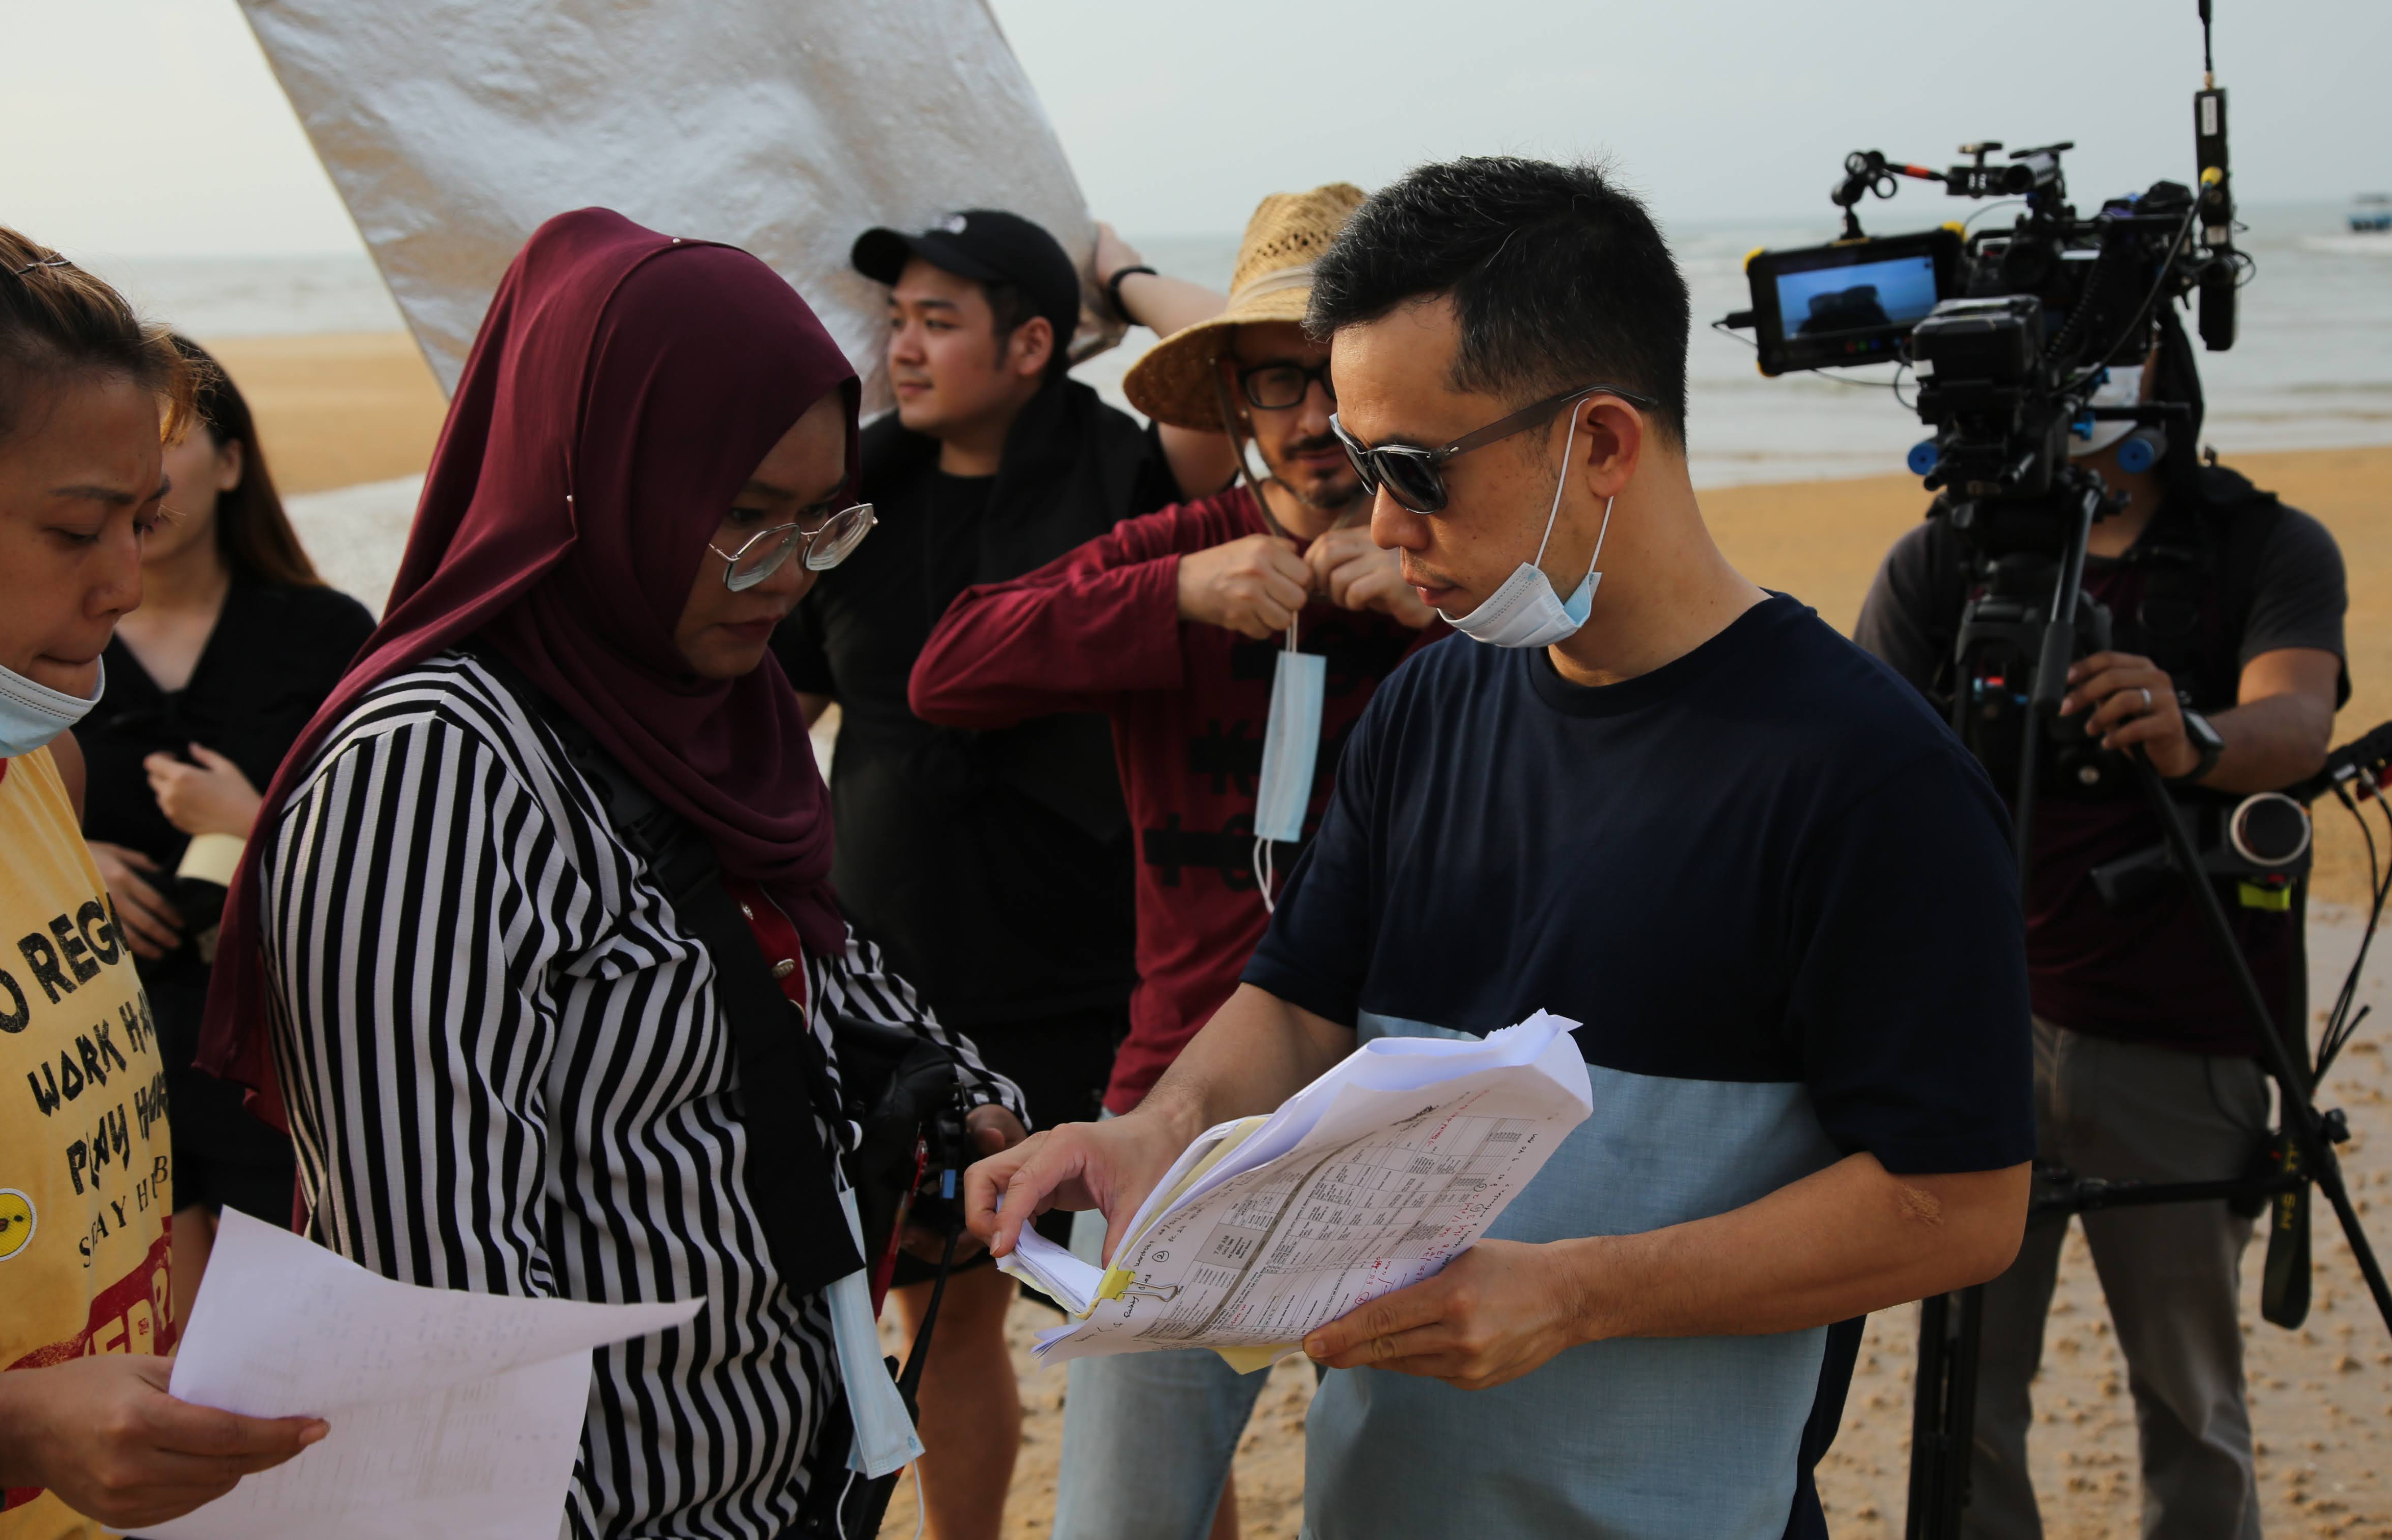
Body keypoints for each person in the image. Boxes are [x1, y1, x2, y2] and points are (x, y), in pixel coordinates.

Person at [969, 157, 2041, 1539]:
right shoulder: (1429, 706)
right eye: (1364, 467)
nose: (1383, 524)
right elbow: (1297, 1003)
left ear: (1602, 443)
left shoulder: (1867, 778)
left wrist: (1577, 1293)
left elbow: (1963, 1205)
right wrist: (1153, 1136)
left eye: (1418, 470)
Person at [196, 209, 1027, 1540]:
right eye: (741, 518)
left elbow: (815, 962)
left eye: (821, 520)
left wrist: (969, 1104)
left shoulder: (703, 706)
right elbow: (440, 1301)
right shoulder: (433, 776)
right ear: (588, 480)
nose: (787, 577)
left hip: (784, 1485)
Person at [910, 182, 1441, 1540]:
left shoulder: (1464, 573)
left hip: (1422, 1113)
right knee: (1125, 1511)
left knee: (1417, 1500)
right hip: (1181, 1106)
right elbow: (947, 667)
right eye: (1276, 384)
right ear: (1236, 405)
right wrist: (1170, 596)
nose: (1311, 419)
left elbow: (1619, 704)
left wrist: (1453, 614)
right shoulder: (1187, 549)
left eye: (1336, 379)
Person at [769, 208, 1232, 1540]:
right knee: (944, 1316)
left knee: (1151, 1327)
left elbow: (1223, 360)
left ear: (1033, 344)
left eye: (938, 321)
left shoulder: (1124, 468)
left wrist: (1119, 279)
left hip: (1097, 978)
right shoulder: (855, 492)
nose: (902, 348)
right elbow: (779, 713)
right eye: (895, 320)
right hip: (901, 982)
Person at [1852, 322, 2349, 1540]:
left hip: (2181, 1034)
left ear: (2165, 374)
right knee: (1967, 1395)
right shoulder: (1944, 558)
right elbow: (1854, 764)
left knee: (2190, 1395)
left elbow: (2297, 722)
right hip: (1980, 1033)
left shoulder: (2263, 544)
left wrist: (2194, 737)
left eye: (2112, 348)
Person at [0, 225, 324, 1536]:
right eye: (77, 530)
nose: (124, 582)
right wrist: (7, 1427)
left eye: (141, 522)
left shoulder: (42, 773)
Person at [74, 336, 373, 1309]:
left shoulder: (328, 636)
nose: (144, 469)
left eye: (168, 436)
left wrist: (253, 822)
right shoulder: (47, 642)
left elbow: (404, 862)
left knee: (280, 1347)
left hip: (287, 1058)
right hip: (102, 1068)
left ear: (233, 462)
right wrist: (72, 868)